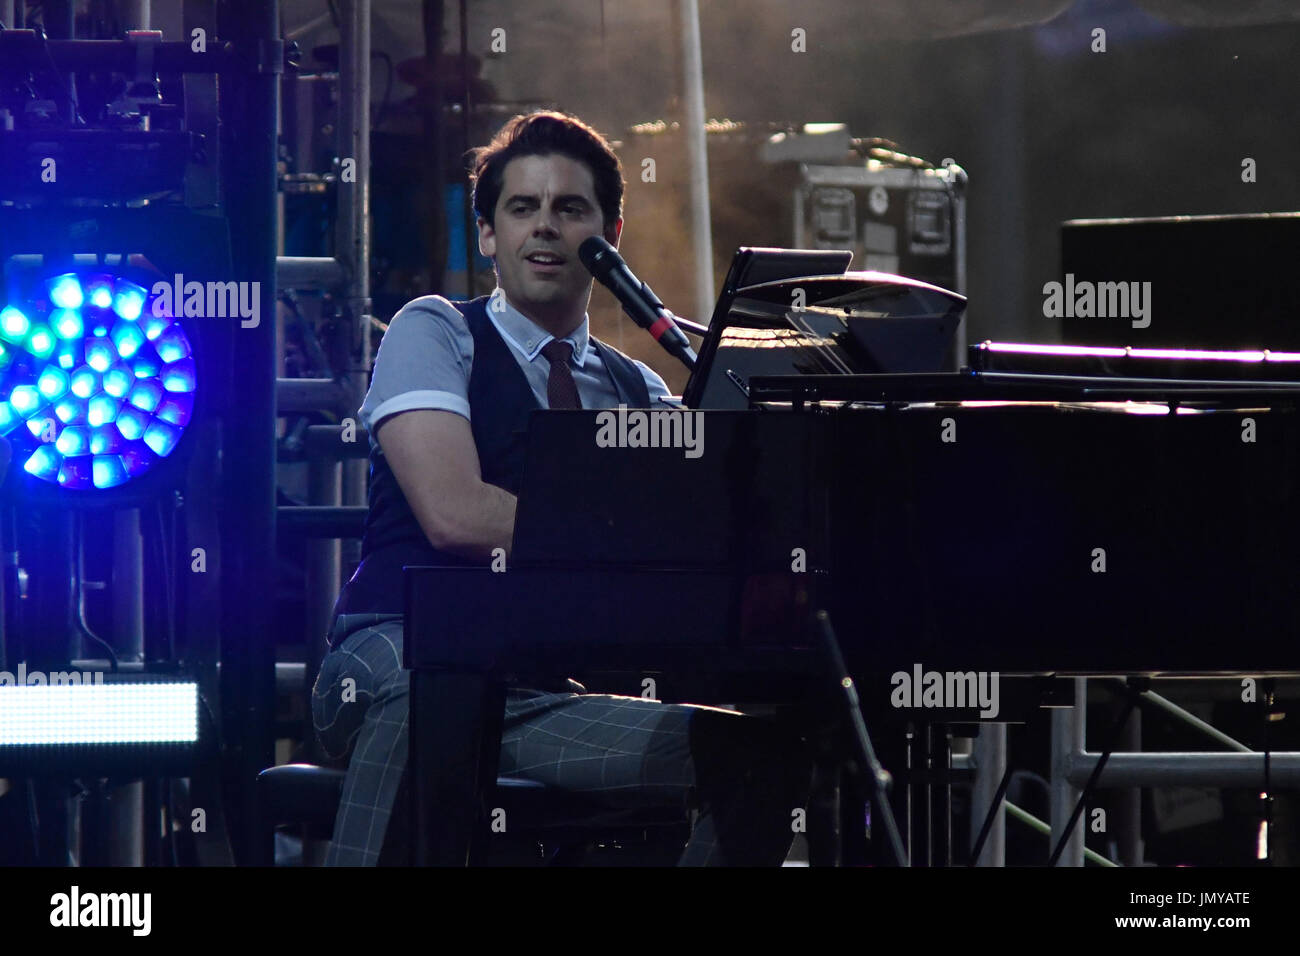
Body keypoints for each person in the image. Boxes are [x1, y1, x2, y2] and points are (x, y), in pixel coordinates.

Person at [312, 110, 809, 865]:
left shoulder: (637, 387)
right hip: (397, 654)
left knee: (756, 753)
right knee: (428, 704)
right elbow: (454, 514)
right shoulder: (436, 331)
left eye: (569, 210)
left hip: (537, 692)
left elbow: (701, 538)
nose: (544, 227)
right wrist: (630, 535)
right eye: (522, 208)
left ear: (609, 236)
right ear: (487, 235)